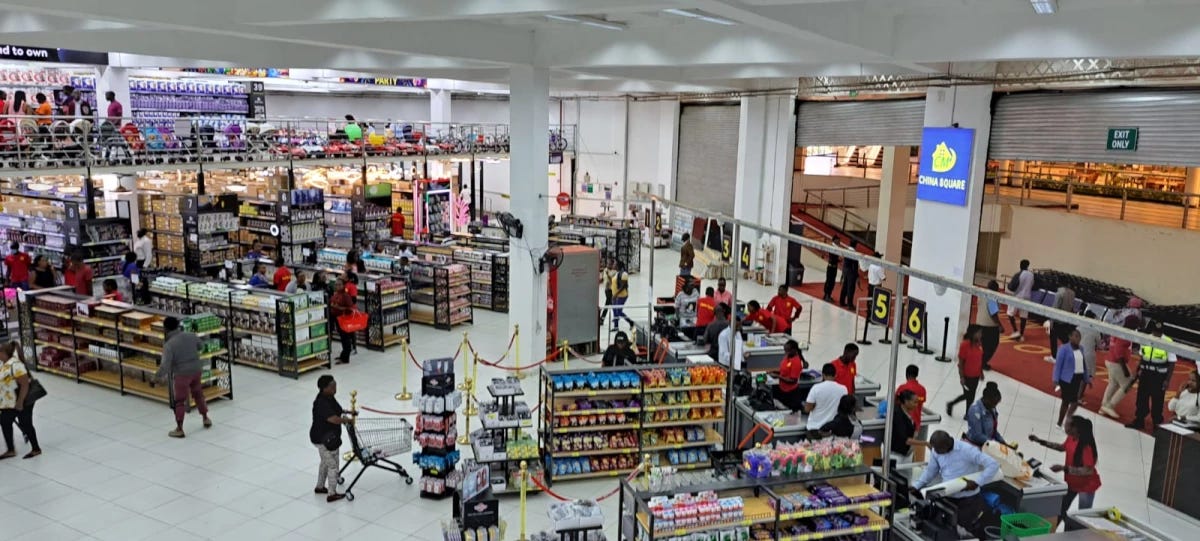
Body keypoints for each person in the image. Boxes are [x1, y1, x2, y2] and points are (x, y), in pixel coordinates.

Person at [912, 431, 1002, 538]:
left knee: (969, 532)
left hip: (968, 501)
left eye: (937, 449)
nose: (934, 452)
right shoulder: (937, 451)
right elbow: (930, 471)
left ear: (946, 445)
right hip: (949, 499)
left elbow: (993, 464)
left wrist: (978, 482)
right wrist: (917, 485)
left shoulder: (967, 450)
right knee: (947, 531)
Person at [1029, 416, 1101, 527]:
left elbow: (1088, 470)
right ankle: (1051, 531)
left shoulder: (1086, 446)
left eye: (1067, 425)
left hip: (1086, 486)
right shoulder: (1071, 438)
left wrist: (1064, 468)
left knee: (1082, 516)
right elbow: (1062, 447)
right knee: (1060, 510)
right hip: (1071, 483)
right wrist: (1040, 441)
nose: (1064, 427)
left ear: (1075, 428)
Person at [155, 317, 212, 438]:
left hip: (182, 374)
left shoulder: (169, 345)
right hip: (196, 370)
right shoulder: (191, 335)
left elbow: (165, 365)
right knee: (198, 394)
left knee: (180, 401)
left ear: (165, 329)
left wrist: (157, 376)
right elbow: (201, 346)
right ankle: (206, 418)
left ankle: (179, 428)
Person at [1127, 322, 1177, 430]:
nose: (1156, 335)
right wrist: (1137, 371)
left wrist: (1167, 380)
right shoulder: (1146, 339)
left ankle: (1157, 423)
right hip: (1145, 373)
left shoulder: (1168, 342)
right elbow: (1142, 356)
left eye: (1159, 333)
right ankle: (1139, 420)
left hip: (1159, 376)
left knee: (1157, 400)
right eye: (1155, 332)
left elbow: (1172, 362)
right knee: (1141, 398)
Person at [310, 375, 353, 502]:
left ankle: (320, 486)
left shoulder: (330, 397)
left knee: (325, 463)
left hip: (330, 437)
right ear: (324, 388)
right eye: (332, 386)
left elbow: (337, 410)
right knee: (333, 465)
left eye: (335, 385)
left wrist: (349, 413)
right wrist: (347, 420)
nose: (335, 388)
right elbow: (332, 419)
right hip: (323, 439)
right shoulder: (321, 402)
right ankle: (332, 493)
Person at [0, 341, 40, 459]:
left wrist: (20, 402)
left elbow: (25, 385)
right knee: (5, 422)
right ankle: (11, 450)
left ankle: (36, 449)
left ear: (3, 353)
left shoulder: (16, 365)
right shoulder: (5, 363)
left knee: (25, 423)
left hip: (22, 401)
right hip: (8, 402)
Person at [1100, 314, 1142, 419]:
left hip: (1110, 359)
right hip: (1117, 363)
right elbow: (1119, 352)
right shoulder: (1125, 335)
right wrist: (1125, 369)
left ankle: (1104, 405)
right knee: (1127, 385)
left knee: (1113, 384)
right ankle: (1110, 405)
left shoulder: (1119, 330)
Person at [1053, 329, 1091, 427]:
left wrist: (1087, 379)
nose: (1078, 338)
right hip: (1066, 379)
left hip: (1077, 379)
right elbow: (1058, 365)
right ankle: (1059, 422)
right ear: (1070, 337)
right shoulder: (1063, 349)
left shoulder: (1081, 349)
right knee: (1066, 401)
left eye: (1079, 336)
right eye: (1076, 336)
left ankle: (1068, 418)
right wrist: (1056, 380)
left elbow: (1083, 365)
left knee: (1075, 401)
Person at [947, 326, 984, 418]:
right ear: (972, 333)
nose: (980, 335)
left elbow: (979, 359)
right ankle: (959, 409)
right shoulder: (964, 345)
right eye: (978, 333)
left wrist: (981, 372)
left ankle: (966, 412)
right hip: (967, 375)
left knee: (971, 395)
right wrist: (962, 377)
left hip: (976, 375)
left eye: (980, 333)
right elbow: (961, 363)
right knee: (968, 395)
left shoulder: (979, 344)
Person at [804, 364, 848, 431]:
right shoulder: (844, 389)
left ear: (823, 375)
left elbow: (807, 409)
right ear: (835, 375)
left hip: (815, 428)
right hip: (834, 429)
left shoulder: (816, 388)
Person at [965, 382, 1006, 447]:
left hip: (988, 444)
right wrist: (995, 444)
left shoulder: (992, 408)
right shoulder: (975, 411)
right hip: (974, 446)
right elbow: (977, 436)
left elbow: (993, 430)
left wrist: (1002, 442)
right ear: (986, 399)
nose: (994, 406)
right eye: (994, 403)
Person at [891, 389, 928, 459]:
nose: (916, 405)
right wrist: (925, 443)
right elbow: (906, 440)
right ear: (906, 401)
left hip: (907, 454)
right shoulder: (897, 416)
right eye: (915, 402)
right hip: (897, 455)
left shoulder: (908, 413)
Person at [975, 280, 1003, 371]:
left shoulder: (982, 294)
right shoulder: (992, 297)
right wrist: (999, 325)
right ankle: (982, 363)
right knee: (992, 345)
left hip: (979, 323)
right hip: (989, 326)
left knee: (984, 345)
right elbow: (993, 313)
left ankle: (980, 362)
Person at [1046, 287, 1077, 362]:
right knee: (1064, 337)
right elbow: (1072, 307)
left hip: (1057, 319)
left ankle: (1054, 356)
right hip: (1066, 318)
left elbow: (1055, 307)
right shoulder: (1072, 293)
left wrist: (1051, 320)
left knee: (1054, 337)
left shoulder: (1060, 293)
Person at [1006, 259, 1035, 341]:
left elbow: (1012, 287)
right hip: (1027, 297)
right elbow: (1034, 286)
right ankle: (1021, 335)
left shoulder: (1018, 274)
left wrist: (1009, 285)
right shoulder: (1031, 275)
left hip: (1017, 297)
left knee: (1010, 313)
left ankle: (1015, 331)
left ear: (1020, 265)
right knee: (1023, 317)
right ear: (1028, 266)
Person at [330, 278, 356, 365]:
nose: (337, 286)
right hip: (337, 319)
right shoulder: (336, 294)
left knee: (345, 338)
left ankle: (345, 358)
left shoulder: (346, 296)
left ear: (343, 285)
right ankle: (343, 355)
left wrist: (339, 308)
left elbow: (350, 308)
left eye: (339, 284)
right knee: (343, 338)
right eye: (336, 284)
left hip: (344, 320)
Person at [896, 364, 927, 431]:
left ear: (906, 374)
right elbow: (922, 400)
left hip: (902, 423)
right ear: (917, 375)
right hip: (916, 424)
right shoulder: (922, 389)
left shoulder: (902, 388)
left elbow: (895, 402)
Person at [610, 261, 634, 330]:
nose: (613, 265)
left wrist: (616, 294)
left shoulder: (624, 274)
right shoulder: (617, 273)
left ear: (618, 266)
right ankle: (616, 326)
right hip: (615, 295)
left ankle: (630, 322)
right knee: (615, 310)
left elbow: (624, 285)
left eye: (614, 264)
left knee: (618, 311)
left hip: (622, 296)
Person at [838, 240, 860, 308]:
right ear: (855, 245)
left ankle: (842, 301)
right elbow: (855, 266)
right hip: (851, 271)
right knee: (851, 288)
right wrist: (857, 276)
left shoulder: (846, 250)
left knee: (845, 286)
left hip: (845, 270)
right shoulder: (854, 253)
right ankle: (850, 304)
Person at [822, 238, 841, 303]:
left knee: (831, 281)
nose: (839, 243)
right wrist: (838, 260)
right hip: (831, 267)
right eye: (838, 241)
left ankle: (828, 295)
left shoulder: (836, 248)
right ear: (835, 241)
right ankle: (827, 295)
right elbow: (832, 259)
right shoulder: (833, 248)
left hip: (833, 267)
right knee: (830, 281)